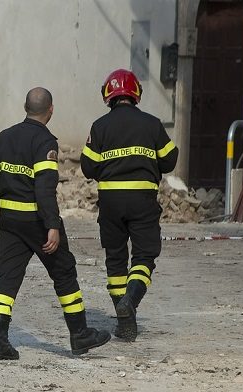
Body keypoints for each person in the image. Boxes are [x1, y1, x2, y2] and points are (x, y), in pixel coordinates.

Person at [0, 87, 111, 360]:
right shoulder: (45, 142)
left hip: (10, 221)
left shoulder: (6, 136)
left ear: (26, 108)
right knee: (64, 272)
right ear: (50, 110)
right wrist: (51, 225)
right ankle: (79, 334)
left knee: (8, 278)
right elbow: (44, 188)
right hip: (37, 221)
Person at [80, 69, 178, 341]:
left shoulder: (99, 126)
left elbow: (88, 166)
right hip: (142, 201)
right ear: (136, 93)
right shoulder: (152, 124)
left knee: (115, 260)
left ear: (108, 96)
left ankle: (125, 322)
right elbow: (170, 160)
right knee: (145, 256)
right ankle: (130, 303)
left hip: (110, 203)